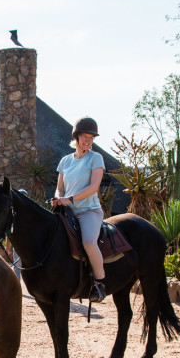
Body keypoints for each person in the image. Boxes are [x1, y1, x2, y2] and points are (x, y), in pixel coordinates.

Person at [51, 117, 107, 302]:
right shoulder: (65, 161)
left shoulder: (95, 158)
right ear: (76, 137)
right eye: (85, 136)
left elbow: (94, 187)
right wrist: (59, 198)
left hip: (88, 211)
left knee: (89, 242)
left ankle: (99, 284)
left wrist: (70, 198)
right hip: (67, 211)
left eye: (91, 138)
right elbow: (60, 186)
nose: (88, 141)